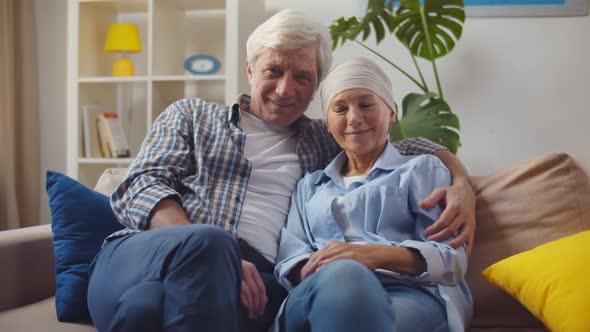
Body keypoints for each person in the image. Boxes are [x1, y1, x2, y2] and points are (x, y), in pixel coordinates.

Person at [87, 9, 475, 332]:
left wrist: (461, 183)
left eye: (302, 77)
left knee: (145, 307)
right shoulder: (192, 116)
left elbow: (397, 147)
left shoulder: (325, 139)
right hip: (154, 251)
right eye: (273, 71)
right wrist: (211, 253)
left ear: (315, 88)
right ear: (250, 70)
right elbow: (140, 184)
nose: (286, 90)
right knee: (207, 246)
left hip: (250, 283)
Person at [274, 57, 473, 332]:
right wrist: (332, 272)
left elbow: (452, 261)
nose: (354, 118)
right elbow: (289, 261)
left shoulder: (422, 170)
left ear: (392, 114)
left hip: (407, 293)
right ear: (328, 125)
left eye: (366, 104)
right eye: (340, 109)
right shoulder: (309, 186)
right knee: (343, 279)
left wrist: (372, 255)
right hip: (317, 291)